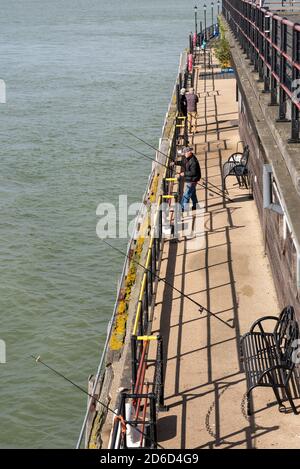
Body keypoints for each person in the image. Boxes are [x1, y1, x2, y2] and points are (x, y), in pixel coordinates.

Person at [176, 146, 201, 212]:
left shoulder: (193, 162)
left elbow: (193, 173)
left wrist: (184, 174)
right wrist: (175, 163)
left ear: (189, 152)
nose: (184, 154)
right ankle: (196, 206)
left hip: (192, 180)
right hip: (191, 179)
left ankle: (183, 208)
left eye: (185, 153)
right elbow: (183, 163)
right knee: (192, 193)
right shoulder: (188, 158)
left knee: (186, 194)